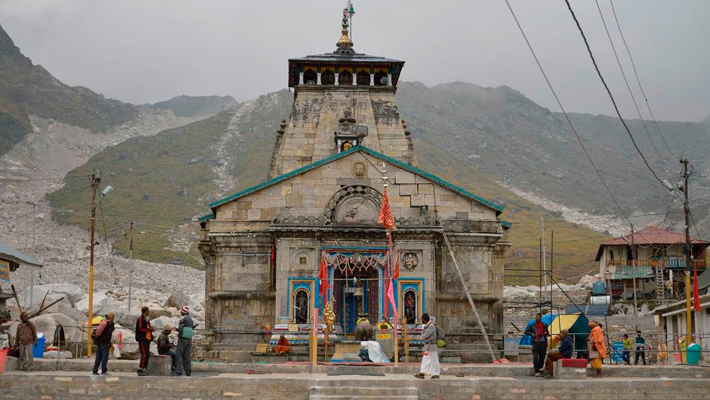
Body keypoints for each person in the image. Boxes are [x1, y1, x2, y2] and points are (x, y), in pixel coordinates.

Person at [414, 313, 440, 380]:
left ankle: (436, 374)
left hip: (432, 346)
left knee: (434, 360)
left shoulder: (431, 326)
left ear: (424, 319)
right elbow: (424, 335)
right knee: (425, 359)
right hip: (427, 346)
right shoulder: (426, 326)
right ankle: (422, 373)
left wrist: (423, 333)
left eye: (422, 319)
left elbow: (424, 335)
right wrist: (424, 333)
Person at [524, 313, 549, 377]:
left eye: (537, 316)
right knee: (535, 357)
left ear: (540, 317)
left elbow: (548, 333)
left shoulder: (544, 325)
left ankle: (540, 371)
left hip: (543, 343)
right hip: (535, 343)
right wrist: (531, 333)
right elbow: (526, 331)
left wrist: (545, 333)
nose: (536, 317)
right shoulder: (533, 325)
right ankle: (536, 370)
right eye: (536, 316)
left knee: (542, 357)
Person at [135, 306, 156, 376]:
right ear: (146, 311)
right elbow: (140, 329)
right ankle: (140, 368)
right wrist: (149, 330)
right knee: (144, 354)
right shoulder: (140, 319)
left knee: (147, 354)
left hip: (147, 339)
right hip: (142, 339)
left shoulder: (146, 319)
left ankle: (144, 368)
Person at [175, 306, 195, 377]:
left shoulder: (183, 318)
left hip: (183, 338)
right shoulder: (190, 319)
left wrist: (179, 337)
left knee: (179, 354)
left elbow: (181, 328)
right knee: (187, 356)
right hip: (189, 338)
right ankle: (188, 371)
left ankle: (178, 370)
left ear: (183, 312)